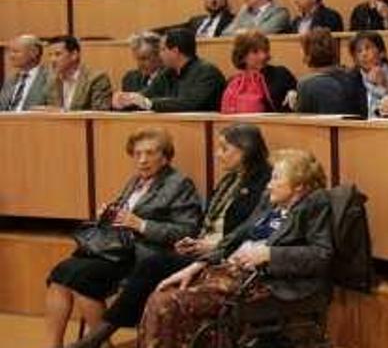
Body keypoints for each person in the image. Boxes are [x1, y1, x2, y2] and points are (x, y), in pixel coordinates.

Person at [67, 124, 272, 348]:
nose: (217, 154)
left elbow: (248, 231)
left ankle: (99, 336)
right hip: (199, 247)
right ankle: (96, 337)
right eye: (137, 154)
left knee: (153, 265)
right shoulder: (230, 179)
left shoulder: (262, 183)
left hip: (224, 256)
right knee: (73, 269)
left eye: (224, 149)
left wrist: (211, 247)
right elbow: (208, 223)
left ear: (245, 150)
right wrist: (196, 242)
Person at [137, 148, 332, 348]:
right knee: (162, 296)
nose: (269, 184)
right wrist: (198, 264)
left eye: (276, 178)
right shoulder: (270, 203)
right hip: (229, 272)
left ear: (298, 186)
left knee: (165, 304)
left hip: (265, 283)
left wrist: (270, 254)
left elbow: (321, 255)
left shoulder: (314, 205)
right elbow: (235, 237)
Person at [45, 128, 201, 348]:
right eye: (137, 154)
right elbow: (122, 214)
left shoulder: (179, 183)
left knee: (82, 280)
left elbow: (186, 230)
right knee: (60, 274)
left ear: (165, 156)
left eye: (149, 153)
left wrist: (141, 224)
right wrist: (108, 214)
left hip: (146, 254)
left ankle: (101, 343)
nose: (142, 160)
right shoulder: (135, 181)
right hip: (117, 249)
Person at [112, 28, 226, 112]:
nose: (160, 55)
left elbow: (189, 103)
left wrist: (148, 103)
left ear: (175, 51)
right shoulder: (167, 73)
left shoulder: (207, 72)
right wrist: (126, 100)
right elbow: (146, 94)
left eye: (163, 50)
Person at [221, 30, 297, 113]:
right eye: (255, 52)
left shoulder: (280, 74)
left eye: (265, 50)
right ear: (242, 56)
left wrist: (294, 92)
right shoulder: (232, 81)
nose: (263, 56)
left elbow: (297, 92)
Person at [347, 31, 388, 117]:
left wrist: (386, 86)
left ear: (382, 53)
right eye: (359, 51)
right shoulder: (351, 83)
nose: (364, 54)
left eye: (368, 48)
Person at [43, 36, 112, 111]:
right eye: (50, 55)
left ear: (74, 55)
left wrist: (63, 113)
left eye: (58, 54)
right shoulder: (51, 82)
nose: (52, 60)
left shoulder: (96, 78)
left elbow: (99, 113)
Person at [294, 28, 354, 113]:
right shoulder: (351, 76)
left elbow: (301, 120)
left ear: (308, 55)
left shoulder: (306, 84)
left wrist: (294, 104)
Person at [224, 0, 292, 35]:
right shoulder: (244, 12)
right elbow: (225, 34)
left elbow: (262, 33)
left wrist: (241, 31)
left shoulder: (280, 13)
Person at [0, 35, 48, 111]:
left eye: (16, 52)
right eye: (10, 52)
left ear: (34, 52)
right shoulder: (10, 80)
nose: (11, 56)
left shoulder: (49, 78)